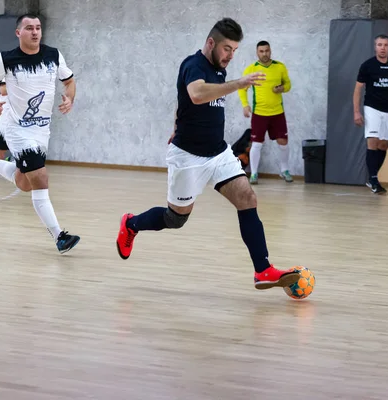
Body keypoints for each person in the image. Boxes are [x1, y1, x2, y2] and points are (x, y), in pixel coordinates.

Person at [116, 18, 301, 290]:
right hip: (187, 157)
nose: (231, 55)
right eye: (227, 48)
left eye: (235, 50)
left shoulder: (219, 70)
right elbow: (196, 94)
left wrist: (175, 123)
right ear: (211, 43)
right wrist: (239, 84)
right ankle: (131, 224)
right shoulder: (193, 65)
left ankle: (263, 270)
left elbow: (184, 103)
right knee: (175, 218)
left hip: (218, 153)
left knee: (247, 197)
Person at [0, 14, 80, 253]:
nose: (35, 32)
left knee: (24, 182)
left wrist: (70, 99)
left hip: (42, 131)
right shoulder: (6, 60)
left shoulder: (53, 55)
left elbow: (70, 82)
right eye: (29, 28)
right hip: (16, 129)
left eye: (38, 27)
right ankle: (59, 237)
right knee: (40, 178)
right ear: (18, 32)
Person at [353, 34, 388, 194]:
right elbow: (358, 89)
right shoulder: (367, 65)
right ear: (375, 47)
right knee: (373, 141)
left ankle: (372, 177)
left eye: (385, 45)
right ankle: (374, 178)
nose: (382, 48)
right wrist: (356, 111)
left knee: (383, 145)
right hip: (372, 108)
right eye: (379, 45)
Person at [238, 40, 292, 184]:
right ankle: (254, 174)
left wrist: (282, 88)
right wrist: (245, 105)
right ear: (257, 53)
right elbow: (242, 88)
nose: (264, 54)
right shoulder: (251, 69)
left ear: (270, 51)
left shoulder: (279, 67)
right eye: (261, 51)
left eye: (267, 51)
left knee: (283, 142)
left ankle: (284, 170)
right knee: (256, 143)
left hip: (277, 112)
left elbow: (288, 84)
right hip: (259, 113)